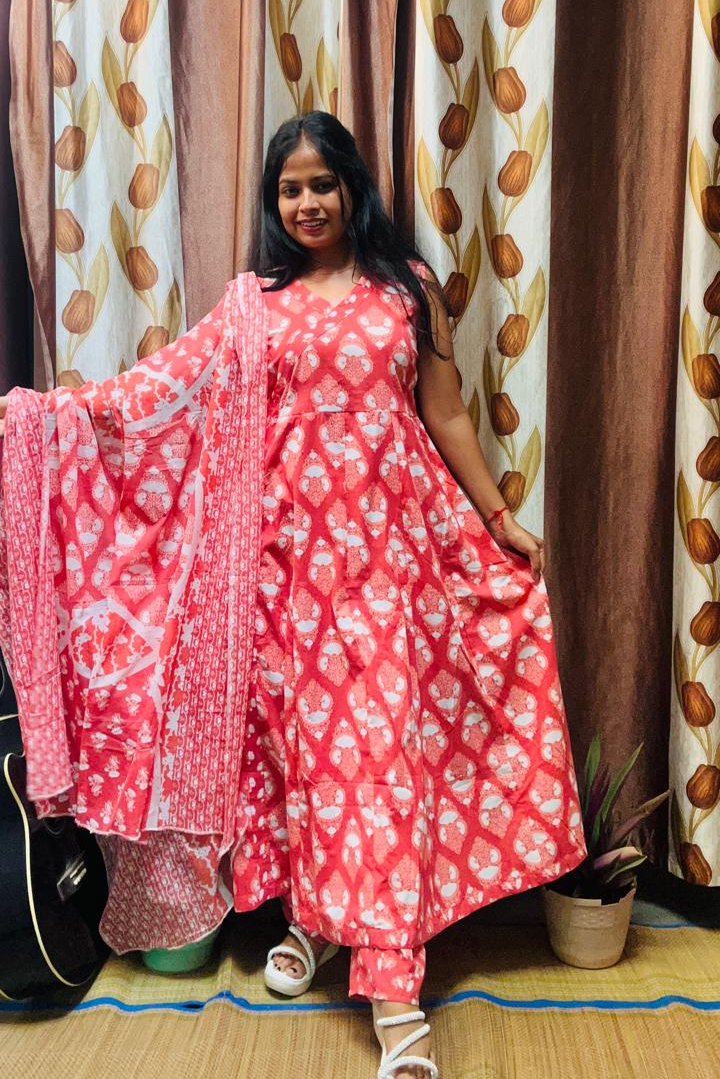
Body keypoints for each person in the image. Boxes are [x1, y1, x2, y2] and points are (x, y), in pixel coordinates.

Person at [1, 112, 585, 1079]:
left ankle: (394, 990)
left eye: (322, 183)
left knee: (380, 755)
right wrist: (47, 418)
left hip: (396, 564)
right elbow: (156, 393)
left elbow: (445, 412)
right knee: (312, 756)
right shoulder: (253, 306)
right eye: (290, 189)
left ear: (353, 187)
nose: (307, 202)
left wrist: (498, 517)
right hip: (289, 577)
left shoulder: (409, 288)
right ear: (275, 203)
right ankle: (318, 921)